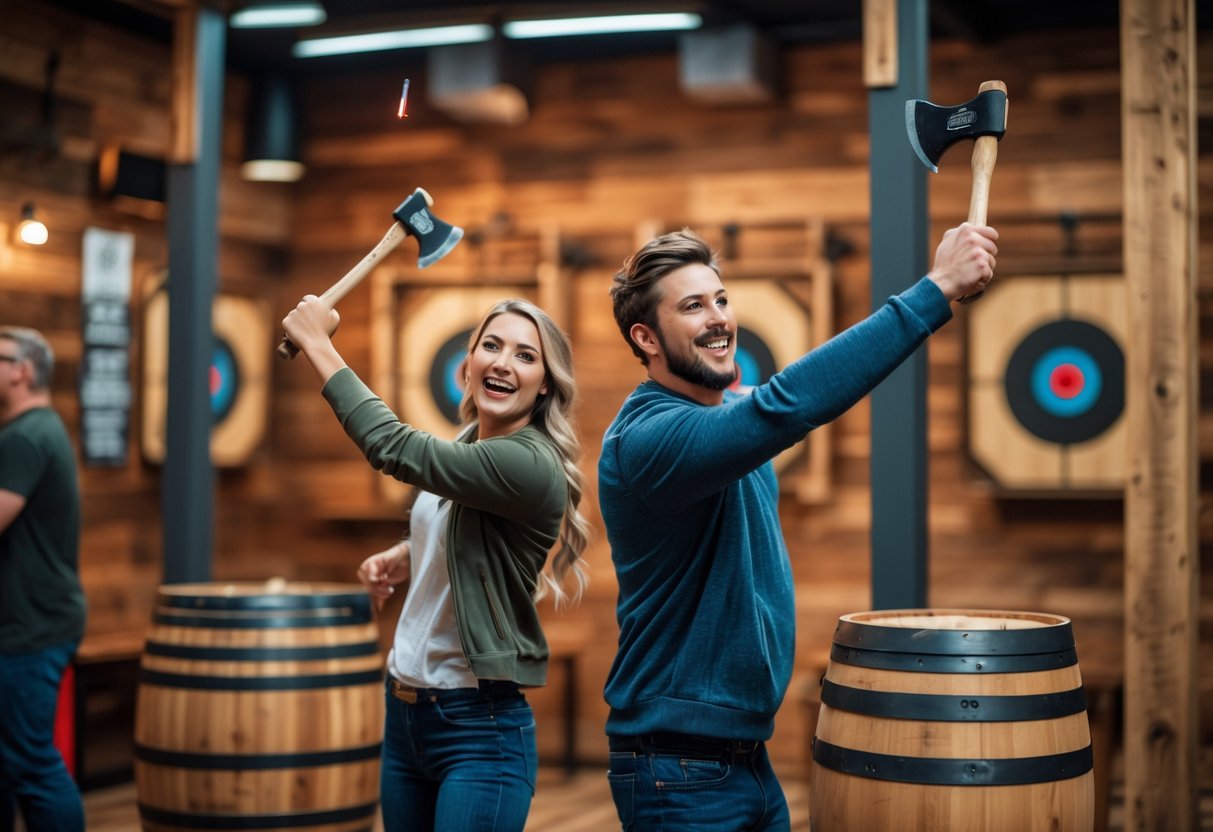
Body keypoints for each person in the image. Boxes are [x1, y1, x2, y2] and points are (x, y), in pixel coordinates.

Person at [599, 222, 999, 830]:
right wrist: (938, 286)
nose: (718, 318)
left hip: (746, 761)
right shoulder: (648, 439)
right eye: (693, 306)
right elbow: (790, 403)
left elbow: (784, 401)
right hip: (676, 769)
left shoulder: (728, 419)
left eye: (721, 299)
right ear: (645, 337)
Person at [281, 296, 589, 832]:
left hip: (477, 728)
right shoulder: (470, 441)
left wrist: (317, 343)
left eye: (525, 355)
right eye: (491, 346)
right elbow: (464, 529)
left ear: (545, 384)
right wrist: (410, 553)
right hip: (404, 711)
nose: (502, 363)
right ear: (468, 361)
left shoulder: (528, 461)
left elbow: (392, 446)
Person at [0, 326, 87, 832]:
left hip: (30, 627)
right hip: (31, 621)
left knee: (32, 765)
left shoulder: (26, 436)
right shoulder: (37, 429)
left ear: (22, 370)